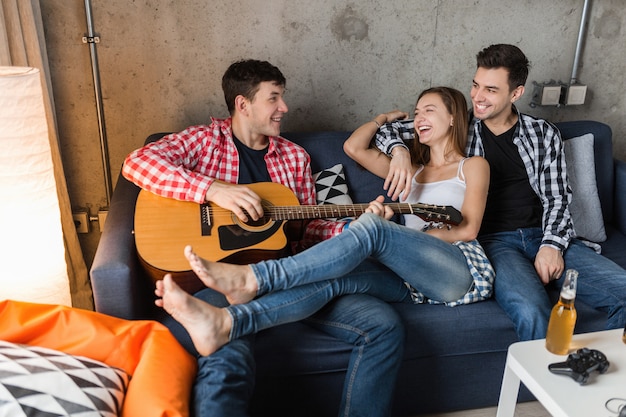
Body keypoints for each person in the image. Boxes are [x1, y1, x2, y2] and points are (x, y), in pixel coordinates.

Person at [122, 59, 405, 417]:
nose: (284, 108)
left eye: (281, 98)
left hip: (290, 276)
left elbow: (306, 232)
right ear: (243, 104)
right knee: (229, 351)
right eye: (274, 99)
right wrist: (213, 190)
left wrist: (355, 230)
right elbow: (138, 162)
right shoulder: (204, 141)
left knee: (383, 324)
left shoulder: (294, 157)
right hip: (219, 277)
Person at [153, 87, 494, 369]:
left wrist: (402, 238)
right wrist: (390, 133)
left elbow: (467, 229)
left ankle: (254, 279)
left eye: (429, 111)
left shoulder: (473, 165)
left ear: (453, 117)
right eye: (417, 112)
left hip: (456, 271)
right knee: (337, 278)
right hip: (410, 278)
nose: (419, 118)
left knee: (374, 228)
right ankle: (228, 323)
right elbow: (353, 147)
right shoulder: (408, 171)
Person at [376, 44, 626, 341]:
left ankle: (601, 376)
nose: (478, 97)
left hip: (543, 234)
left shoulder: (542, 134)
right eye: (475, 85)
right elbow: (387, 131)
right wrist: (400, 151)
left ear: (515, 93)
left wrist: (552, 246)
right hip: (495, 244)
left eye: (491, 90)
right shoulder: (458, 126)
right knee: (532, 311)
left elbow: (557, 198)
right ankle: (540, 384)